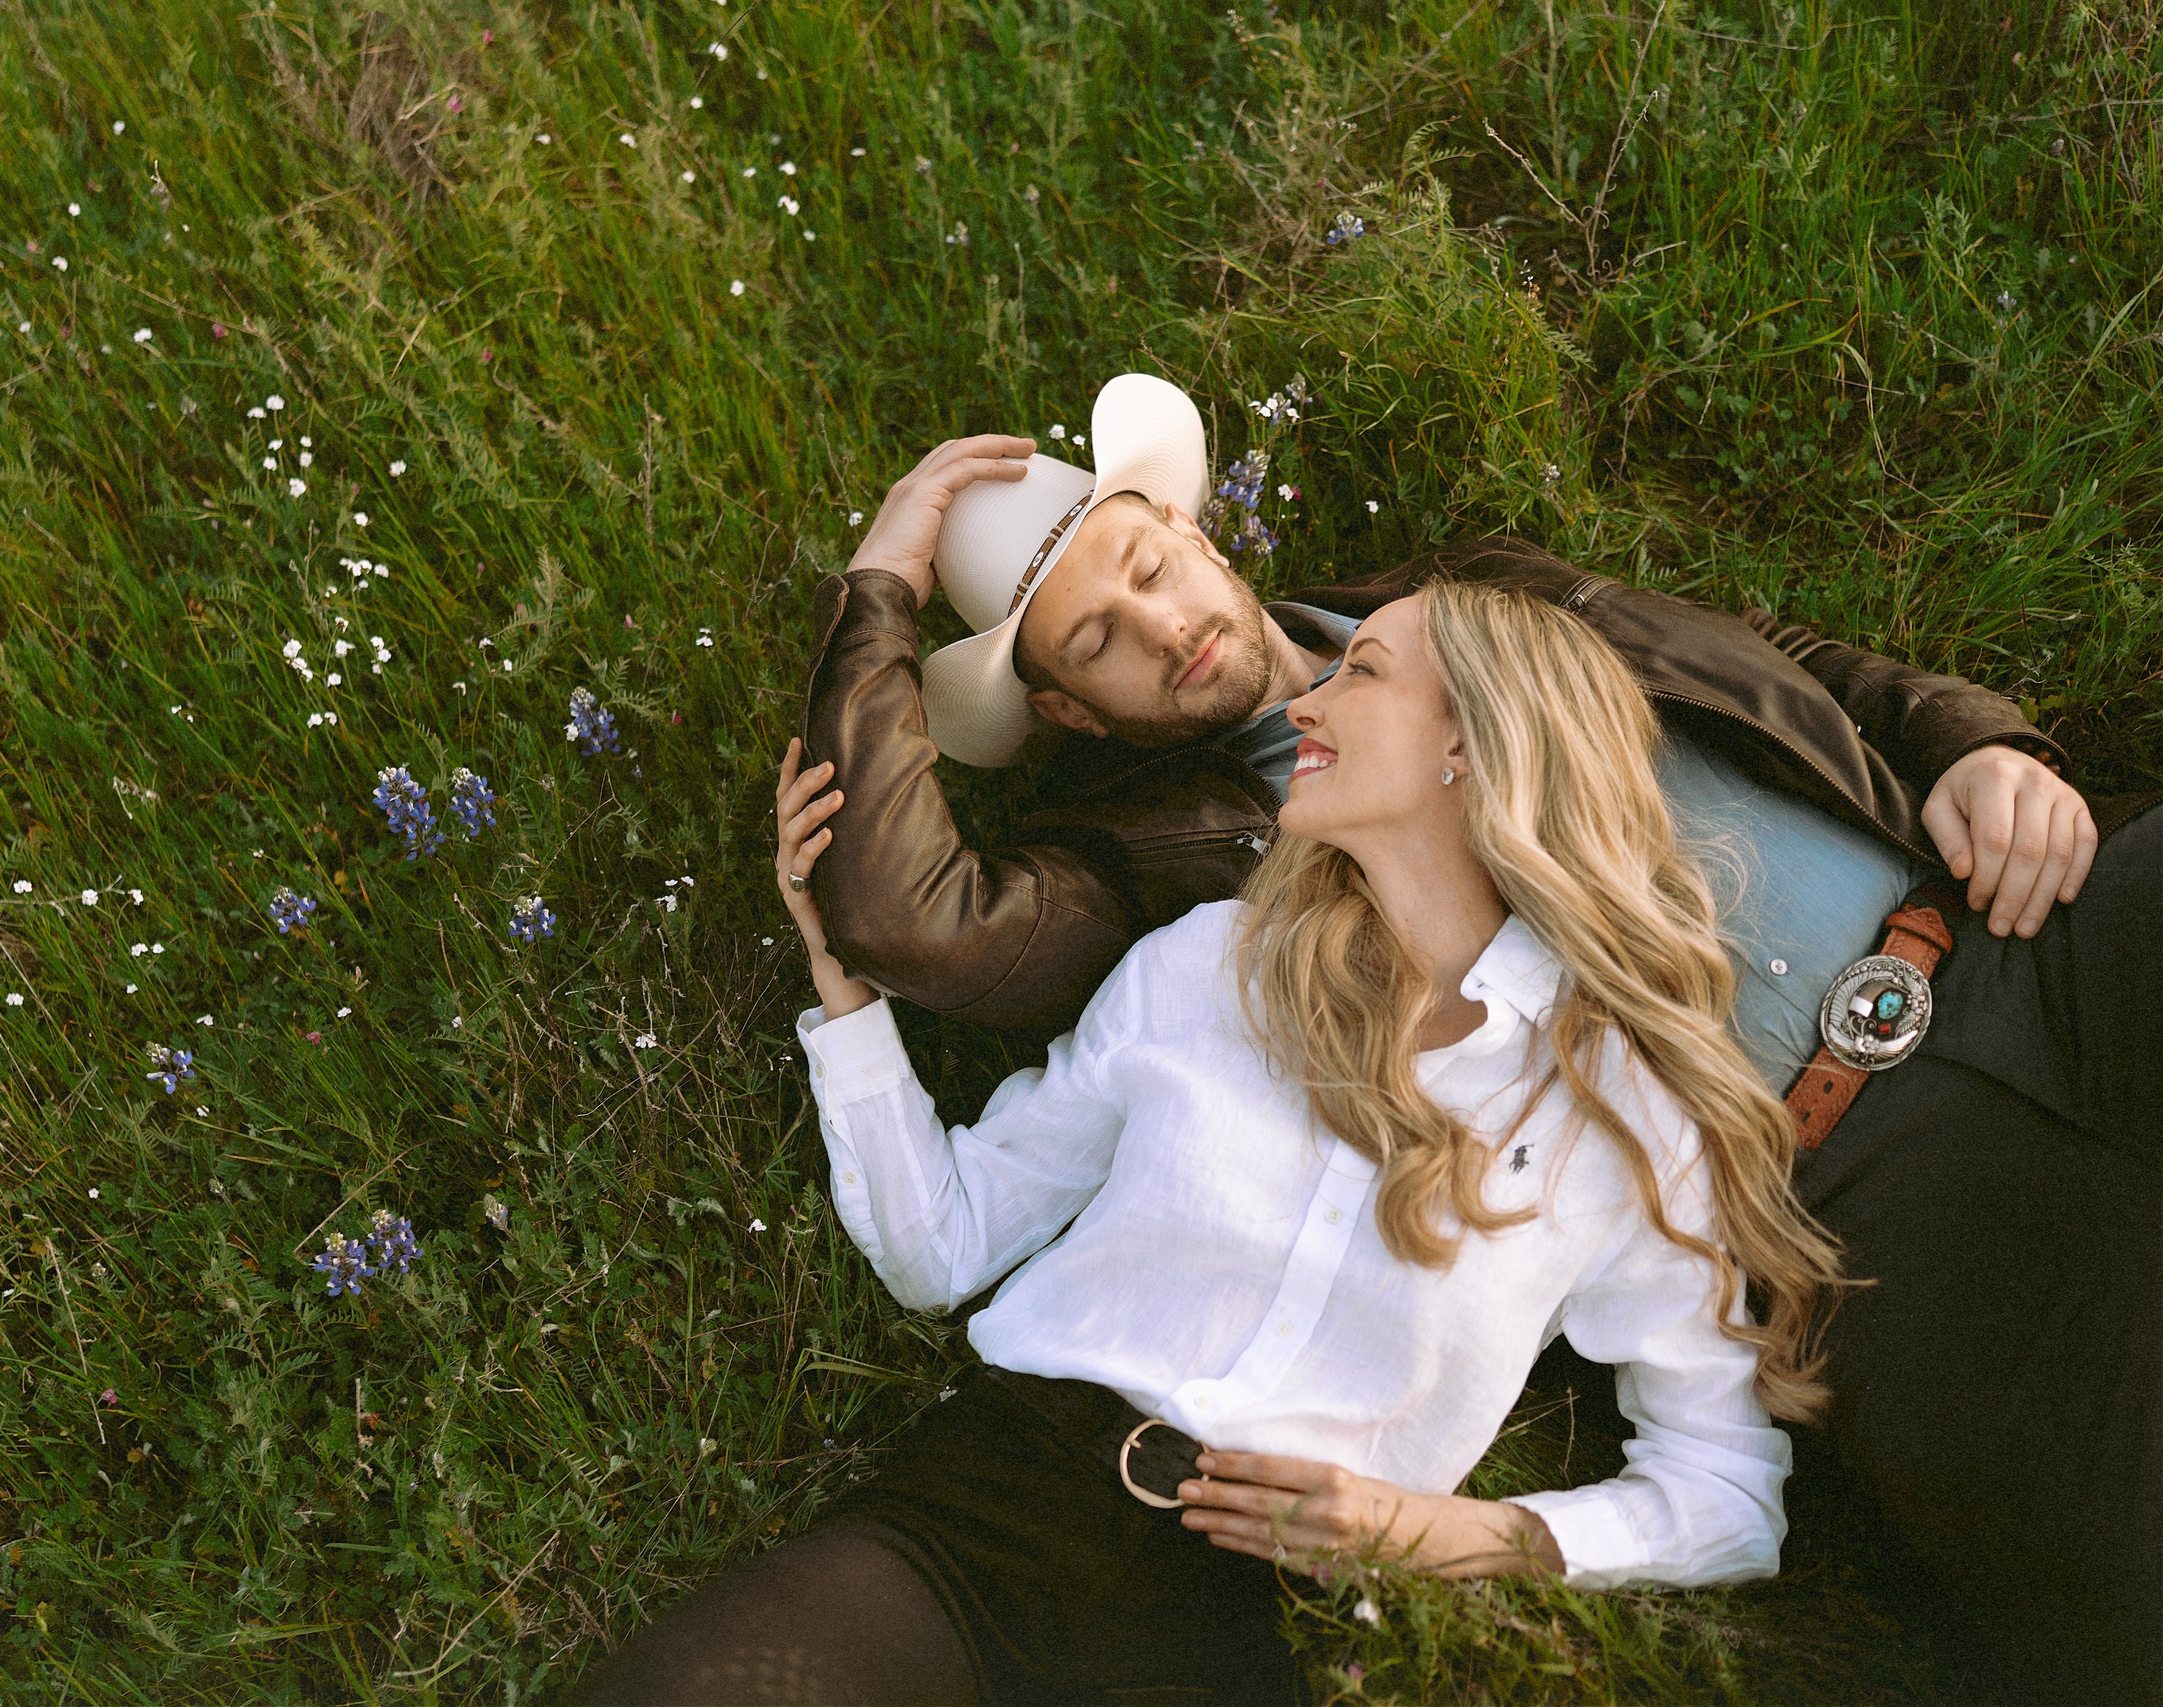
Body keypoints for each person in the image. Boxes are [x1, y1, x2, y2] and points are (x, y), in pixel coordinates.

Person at [791, 374, 2163, 1699]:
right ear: (1071, 714)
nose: (1162, 628)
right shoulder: (1182, 855)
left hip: (2015, 927)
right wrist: (879, 593)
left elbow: (1767, 660)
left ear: (1196, 533)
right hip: (1844, 1192)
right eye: (1097, 644)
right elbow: (911, 921)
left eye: (1148, 568)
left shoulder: (1465, 590)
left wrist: (1973, 742)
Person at [575, 583, 1847, 1704]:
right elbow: (942, 1246)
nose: (1306, 702)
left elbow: (1724, 1496)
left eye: (1360, 671)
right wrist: (842, 983)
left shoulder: (1619, 1103)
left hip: (1236, 1615)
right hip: (988, 1511)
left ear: (1472, 738)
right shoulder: (1204, 968)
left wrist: (1438, 1533)